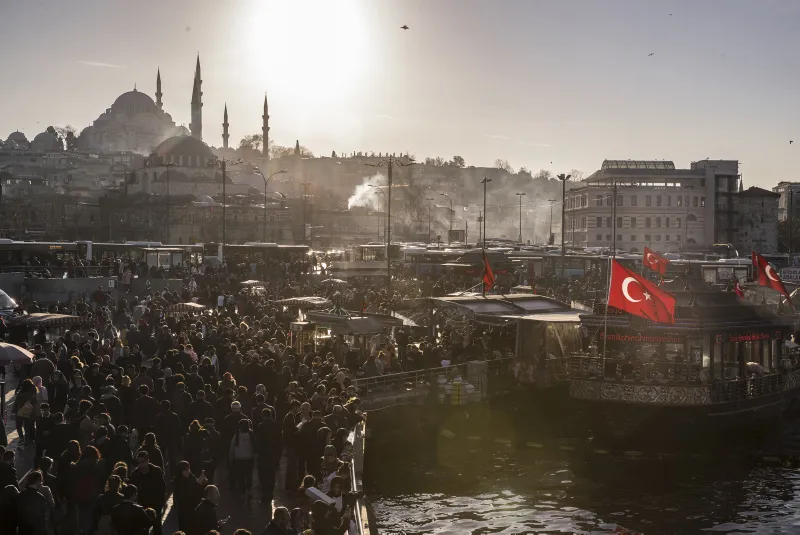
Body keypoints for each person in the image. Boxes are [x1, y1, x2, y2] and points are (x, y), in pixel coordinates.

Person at [129, 450, 166, 535]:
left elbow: (162, 487)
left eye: (142, 462)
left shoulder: (156, 471)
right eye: (138, 462)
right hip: (142, 504)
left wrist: (162, 502)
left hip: (156, 503)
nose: (140, 465)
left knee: (157, 527)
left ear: (147, 461)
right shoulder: (135, 474)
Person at [173, 460, 207, 533]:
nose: (188, 471)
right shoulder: (177, 481)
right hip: (185, 512)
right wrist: (198, 483)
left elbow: (198, 491)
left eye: (188, 469)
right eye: (185, 470)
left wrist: (203, 484)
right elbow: (184, 495)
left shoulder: (192, 477)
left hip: (195, 510)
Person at [15, 470, 49, 535]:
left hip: (23, 531)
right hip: (37, 531)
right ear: (38, 481)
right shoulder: (40, 498)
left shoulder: (19, 496)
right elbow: (43, 519)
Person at [229, 418, 256, 497]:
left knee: (240, 475)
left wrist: (231, 457)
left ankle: (242, 490)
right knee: (249, 475)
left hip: (238, 458)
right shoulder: (251, 434)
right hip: (249, 458)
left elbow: (232, 447)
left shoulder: (236, 435)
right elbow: (255, 446)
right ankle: (248, 489)